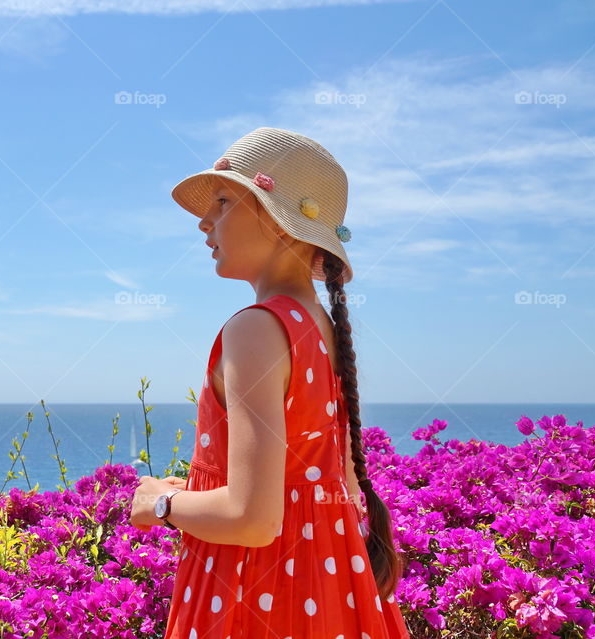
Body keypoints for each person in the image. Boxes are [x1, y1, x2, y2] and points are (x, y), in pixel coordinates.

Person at [129, 128, 411, 638]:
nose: (204, 221)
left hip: (254, 593)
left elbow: (253, 519)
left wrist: (160, 504)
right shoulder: (321, 328)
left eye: (222, 201)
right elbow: (319, 485)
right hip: (328, 590)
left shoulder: (257, 329)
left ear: (281, 222)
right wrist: (199, 492)